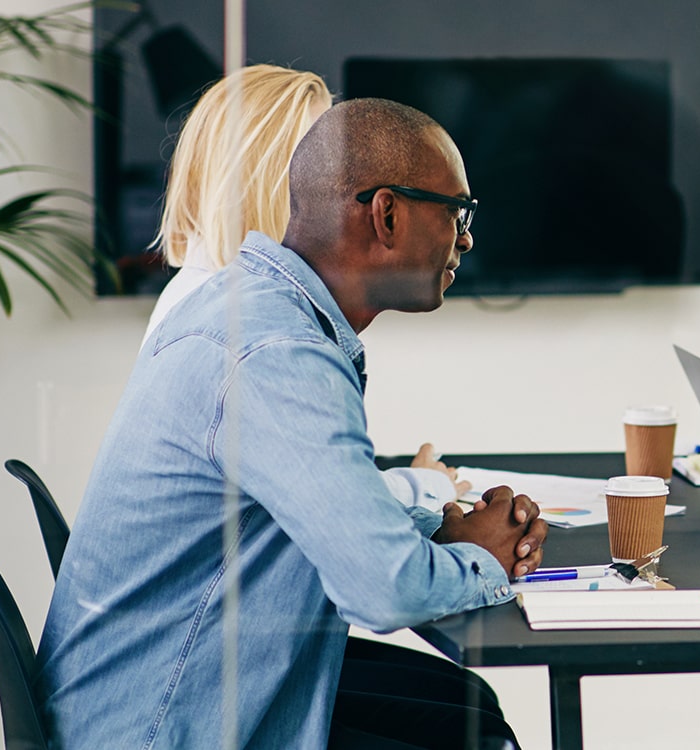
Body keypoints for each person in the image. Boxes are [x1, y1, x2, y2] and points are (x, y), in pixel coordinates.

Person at [39, 98, 546, 749]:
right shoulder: (276, 354)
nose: (466, 239)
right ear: (387, 213)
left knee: (464, 708)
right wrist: (486, 558)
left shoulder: (254, 309)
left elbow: (306, 517)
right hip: (162, 726)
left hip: (162, 692)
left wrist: (430, 524)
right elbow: (384, 592)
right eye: (458, 212)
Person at [141, 64, 469, 510]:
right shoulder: (250, 328)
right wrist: (422, 488)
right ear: (284, 175)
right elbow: (337, 515)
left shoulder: (201, 292)